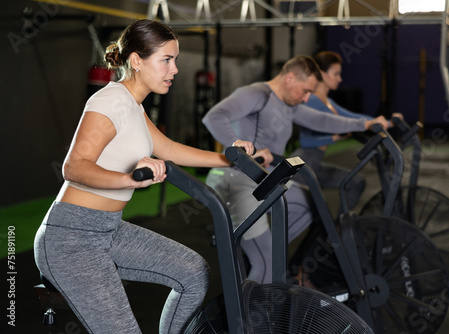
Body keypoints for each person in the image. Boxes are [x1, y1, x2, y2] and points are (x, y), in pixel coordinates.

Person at [33, 19, 254, 334]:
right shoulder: (109, 101)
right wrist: (129, 180)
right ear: (136, 60)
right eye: (166, 59)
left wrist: (232, 159)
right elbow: (75, 167)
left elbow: (170, 149)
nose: (174, 69)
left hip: (108, 230)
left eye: (174, 60)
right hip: (71, 239)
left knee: (193, 273)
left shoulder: (133, 105)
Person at [202, 55, 388, 284]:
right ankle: (248, 312)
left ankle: (268, 255)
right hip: (235, 180)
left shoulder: (289, 104)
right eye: (306, 90)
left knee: (312, 205)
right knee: (267, 265)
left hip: (263, 180)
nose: (307, 97)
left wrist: (365, 124)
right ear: (290, 78)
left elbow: (323, 121)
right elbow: (214, 116)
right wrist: (237, 146)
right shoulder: (257, 94)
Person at [291, 51, 402, 212]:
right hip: (303, 166)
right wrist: (335, 137)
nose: (340, 79)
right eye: (336, 74)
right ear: (322, 74)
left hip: (315, 165)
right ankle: (340, 229)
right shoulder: (312, 101)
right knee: (318, 212)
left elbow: (352, 117)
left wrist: (386, 122)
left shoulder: (328, 102)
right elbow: (306, 141)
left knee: (356, 182)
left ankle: (341, 228)